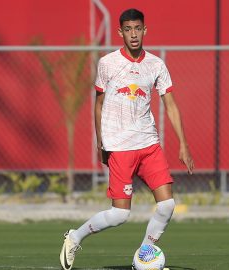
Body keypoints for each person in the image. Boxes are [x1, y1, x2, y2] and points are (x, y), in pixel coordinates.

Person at [60, 8, 194, 270]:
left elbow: (172, 104)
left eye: (138, 28)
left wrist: (183, 143)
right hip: (119, 146)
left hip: (149, 144)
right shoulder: (108, 63)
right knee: (120, 214)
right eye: (128, 29)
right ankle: (75, 237)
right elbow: (98, 105)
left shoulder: (156, 64)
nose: (134, 34)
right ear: (120, 32)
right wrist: (101, 141)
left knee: (167, 205)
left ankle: (143, 255)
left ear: (145, 30)